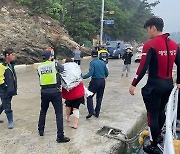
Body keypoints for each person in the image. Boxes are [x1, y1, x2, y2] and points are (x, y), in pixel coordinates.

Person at [129, 17, 180, 154]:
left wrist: (133, 84)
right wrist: (179, 81)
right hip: (168, 85)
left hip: (154, 86)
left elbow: (142, 67)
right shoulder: (175, 45)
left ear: (153, 28)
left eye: (148, 29)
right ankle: (158, 135)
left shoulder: (150, 44)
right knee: (161, 111)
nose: (147, 33)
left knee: (152, 115)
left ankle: (153, 144)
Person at [37, 50, 70, 143]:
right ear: (50, 57)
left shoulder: (39, 67)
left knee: (43, 111)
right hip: (55, 91)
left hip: (44, 91)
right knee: (58, 114)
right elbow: (63, 69)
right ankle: (60, 136)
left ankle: (41, 130)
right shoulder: (54, 64)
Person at [82, 50, 109, 119]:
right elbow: (107, 72)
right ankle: (97, 113)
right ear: (98, 55)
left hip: (95, 81)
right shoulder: (102, 63)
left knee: (89, 96)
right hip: (102, 81)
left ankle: (91, 111)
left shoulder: (92, 63)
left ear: (91, 56)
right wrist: (104, 76)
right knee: (99, 98)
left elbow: (90, 73)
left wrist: (82, 76)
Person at [62, 59, 85, 129]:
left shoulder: (64, 70)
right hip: (79, 92)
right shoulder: (77, 68)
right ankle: (75, 124)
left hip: (69, 92)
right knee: (76, 108)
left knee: (68, 105)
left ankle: (68, 118)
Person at [0, 49, 17, 129]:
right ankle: (10, 121)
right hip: (4, 89)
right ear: (7, 55)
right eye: (12, 55)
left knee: (5, 103)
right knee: (7, 105)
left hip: (10, 88)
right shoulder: (2, 65)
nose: (13, 56)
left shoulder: (11, 64)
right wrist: (4, 86)